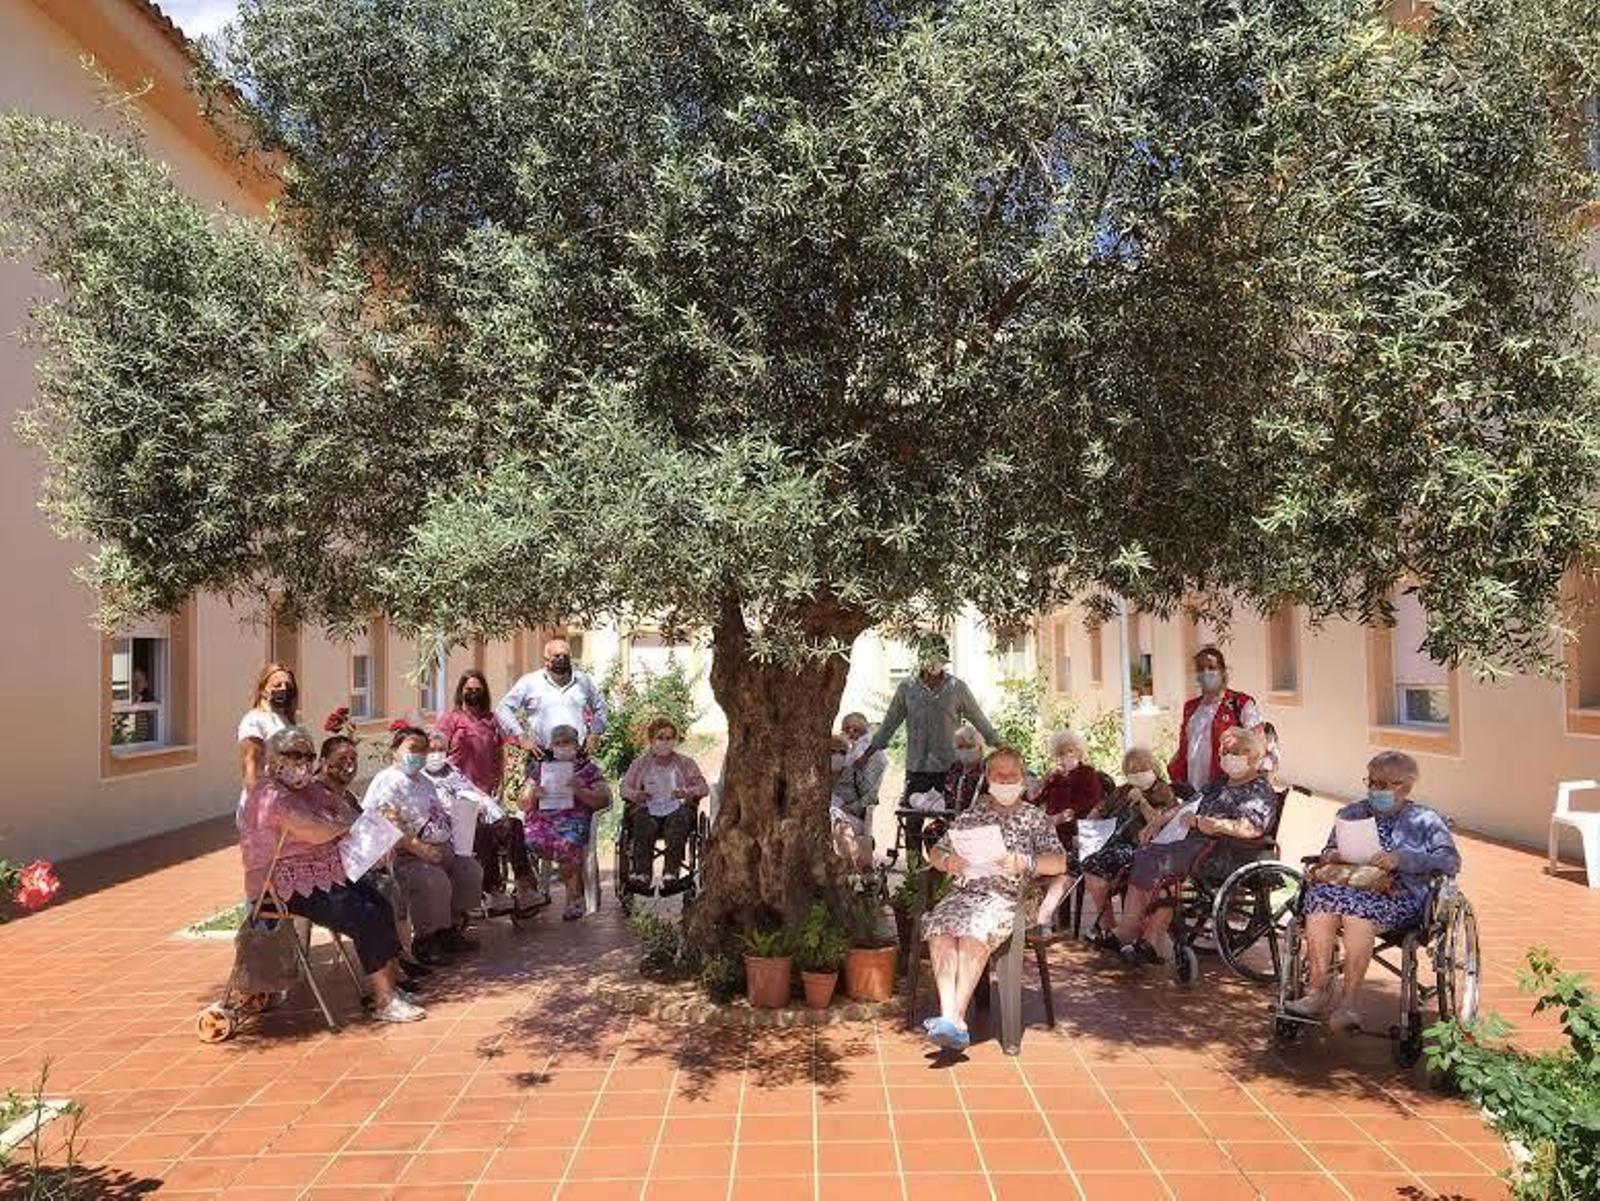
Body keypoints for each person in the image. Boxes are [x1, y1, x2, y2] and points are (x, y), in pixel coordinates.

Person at [239, 727, 422, 1023]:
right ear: (274, 759)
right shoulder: (269, 795)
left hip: (325, 875)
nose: (303, 761)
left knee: (380, 903)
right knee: (365, 915)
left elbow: (348, 814)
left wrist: (365, 823)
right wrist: (344, 824)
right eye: (294, 754)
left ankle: (390, 989)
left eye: (308, 755)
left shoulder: (309, 789)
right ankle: (385, 1001)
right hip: (283, 886)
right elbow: (315, 830)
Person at [1287, 752, 1460, 1031]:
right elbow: (1327, 849)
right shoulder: (1352, 812)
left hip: (1400, 894)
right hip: (1348, 884)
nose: (1375, 790)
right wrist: (1332, 854)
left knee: (1356, 913)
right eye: (1372, 782)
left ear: (1405, 787)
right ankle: (1317, 992)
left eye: (1384, 784)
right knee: (1318, 901)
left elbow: (1450, 861)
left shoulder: (1426, 820)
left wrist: (1402, 859)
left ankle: (1349, 1005)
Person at [920, 745, 1067, 1050]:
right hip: (968, 892)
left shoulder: (1035, 818)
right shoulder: (973, 815)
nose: (1005, 779)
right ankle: (951, 1017)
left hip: (1012, 899)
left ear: (1022, 778)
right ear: (988, 778)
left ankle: (954, 1019)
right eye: (998, 774)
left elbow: (1059, 863)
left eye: (1011, 774)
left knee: (976, 930)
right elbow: (937, 850)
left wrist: (1025, 862)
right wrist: (948, 862)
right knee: (940, 927)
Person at [1102, 726, 1279, 963]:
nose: (1228, 757)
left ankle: (1144, 937)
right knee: (1146, 853)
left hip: (1229, 852)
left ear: (1253, 756)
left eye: (1236, 752)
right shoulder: (1220, 783)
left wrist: (1208, 823)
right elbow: (1186, 805)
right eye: (1225, 752)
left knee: (1159, 861)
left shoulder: (1260, 789)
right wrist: (1159, 821)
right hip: (1198, 845)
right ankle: (1134, 931)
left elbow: (1251, 828)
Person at [865, 634, 1000, 852]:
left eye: (939, 659)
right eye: (931, 658)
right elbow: (889, 724)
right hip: (917, 767)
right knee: (912, 823)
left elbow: (979, 719)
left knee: (948, 821)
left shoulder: (957, 688)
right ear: (921, 659)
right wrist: (866, 754)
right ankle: (912, 876)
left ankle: (944, 869)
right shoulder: (907, 689)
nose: (935, 664)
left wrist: (1001, 746)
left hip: (949, 768)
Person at [362, 726, 485, 965]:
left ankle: (449, 928)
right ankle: (426, 940)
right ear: (395, 751)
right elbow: (387, 824)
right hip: (406, 854)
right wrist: (420, 849)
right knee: (433, 882)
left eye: (423, 750)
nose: (419, 754)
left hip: (441, 848)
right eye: (413, 749)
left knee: (469, 870)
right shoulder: (387, 781)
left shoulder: (425, 781)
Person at [421, 727, 535, 915]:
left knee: (513, 824)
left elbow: (472, 789)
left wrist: (486, 803)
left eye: (440, 750)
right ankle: (494, 892)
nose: (436, 755)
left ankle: (525, 886)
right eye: (431, 750)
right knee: (481, 831)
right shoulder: (422, 778)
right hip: (451, 827)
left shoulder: (450, 769)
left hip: (475, 816)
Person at [1079, 747, 1179, 939]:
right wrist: (1088, 824)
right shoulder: (1123, 790)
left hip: (1140, 846)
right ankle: (1107, 924)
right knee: (1081, 863)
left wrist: (1142, 801)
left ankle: (1110, 926)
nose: (1138, 774)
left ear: (1153, 768)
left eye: (1142, 768)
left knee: (1093, 862)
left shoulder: (1163, 790)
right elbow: (1101, 808)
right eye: (1132, 771)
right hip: (1111, 841)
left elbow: (1159, 824)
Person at [520, 724, 612, 920]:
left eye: (566, 742)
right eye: (557, 743)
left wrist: (581, 791)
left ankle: (573, 899)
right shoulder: (540, 769)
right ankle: (531, 894)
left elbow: (603, 799)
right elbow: (523, 803)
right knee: (521, 841)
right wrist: (534, 795)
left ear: (576, 745)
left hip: (573, 819)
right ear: (551, 747)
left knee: (567, 843)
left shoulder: (588, 769)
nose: (562, 747)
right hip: (542, 822)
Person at [620, 718, 709, 893]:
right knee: (643, 819)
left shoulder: (686, 763)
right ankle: (642, 874)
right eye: (660, 737)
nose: (665, 742)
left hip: (677, 808)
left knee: (679, 818)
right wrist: (636, 794)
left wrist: (686, 792)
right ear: (652, 740)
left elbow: (703, 788)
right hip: (647, 808)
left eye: (669, 738)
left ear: (675, 740)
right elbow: (624, 788)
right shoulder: (640, 764)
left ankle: (671, 873)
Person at [1167, 645, 1263, 794]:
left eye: (1212, 667)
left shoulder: (1241, 703)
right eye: (1200, 668)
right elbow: (1186, 746)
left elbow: (1258, 744)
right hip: (1191, 788)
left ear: (1223, 672)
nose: (1206, 672)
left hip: (1226, 790)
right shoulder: (1190, 707)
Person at [496, 638, 609, 758]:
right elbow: (503, 708)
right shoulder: (530, 683)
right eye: (557, 655)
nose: (562, 659)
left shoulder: (583, 682)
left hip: (577, 758)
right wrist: (520, 736)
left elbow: (600, 706)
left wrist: (595, 732)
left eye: (565, 656)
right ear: (546, 659)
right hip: (542, 757)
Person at [236, 663, 298, 823]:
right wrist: (258, 812)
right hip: (264, 807)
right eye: (277, 685)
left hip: (287, 803)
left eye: (288, 685)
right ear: (263, 689)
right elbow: (251, 771)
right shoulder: (255, 720)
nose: (283, 689)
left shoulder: (285, 720)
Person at [1031, 729, 1107, 853]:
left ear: (1079, 752)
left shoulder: (1087, 773)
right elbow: (1034, 799)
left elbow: (1091, 801)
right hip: (1052, 830)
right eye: (1061, 753)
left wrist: (1064, 816)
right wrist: (1045, 778)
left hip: (1077, 831)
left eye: (1070, 751)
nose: (1066, 756)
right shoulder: (1054, 777)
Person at [830, 719, 888, 872]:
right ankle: (859, 862)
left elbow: (870, 799)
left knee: (834, 813)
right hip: (822, 820)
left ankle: (853, 859)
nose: (837, 756)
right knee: (832, 812)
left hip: (851, 819)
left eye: (842, 752)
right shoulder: (815, 778)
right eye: (832, 751)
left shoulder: (853, 773)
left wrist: (850, 807)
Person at [437, 669, 506, 795]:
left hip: (485, 791)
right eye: (469, 689)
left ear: (484, 692)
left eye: (478, 690)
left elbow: (498, 754)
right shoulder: (450, 719)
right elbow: (437, 751)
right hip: (455, 789)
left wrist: (500, 781)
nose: (473, 693)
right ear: (461, 691)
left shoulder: (492, 720)